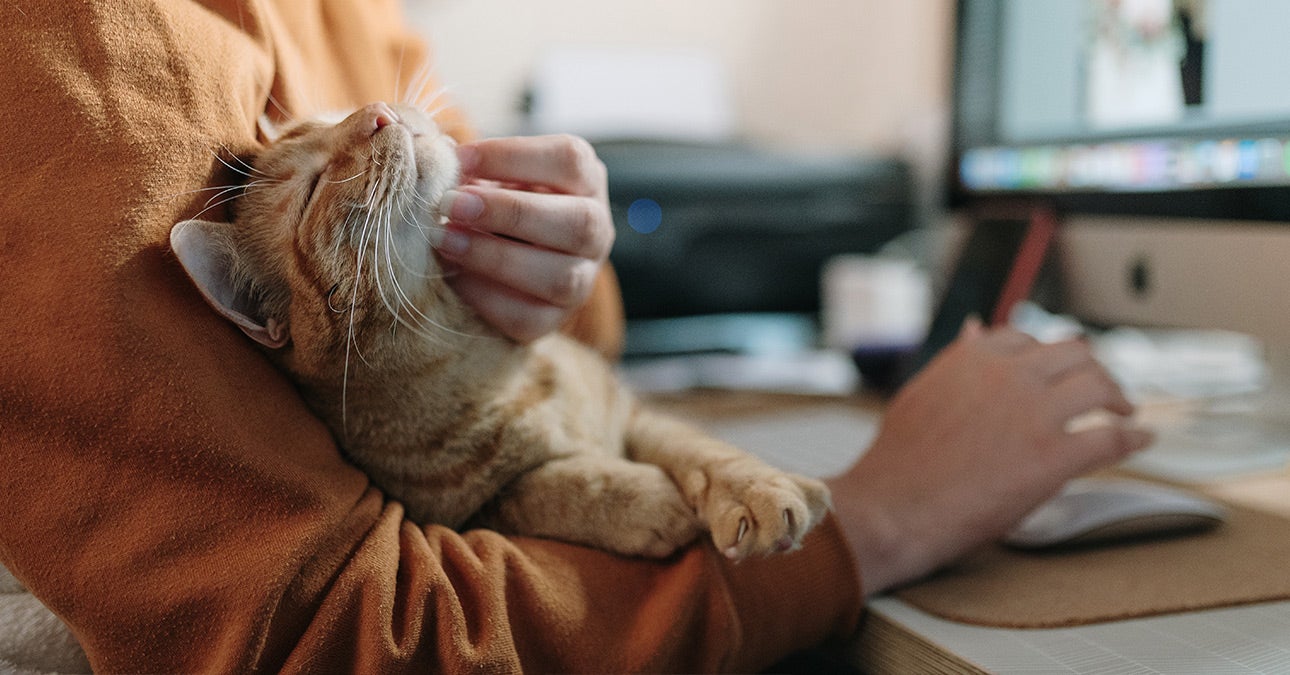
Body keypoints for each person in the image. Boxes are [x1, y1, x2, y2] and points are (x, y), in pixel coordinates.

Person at [0, 1, 1150, 672]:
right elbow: (332, 634)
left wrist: (551, 269)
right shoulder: (82, 57)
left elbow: (573, 352)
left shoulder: (353, 19)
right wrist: (884, 518)